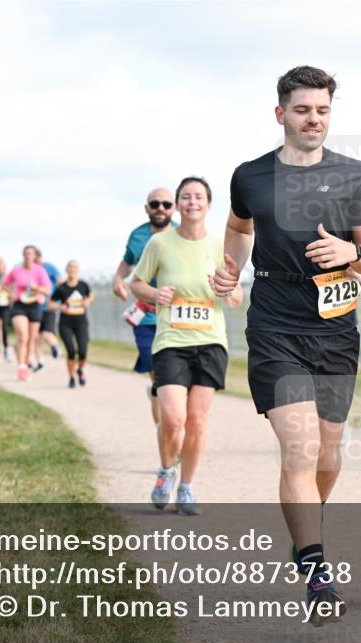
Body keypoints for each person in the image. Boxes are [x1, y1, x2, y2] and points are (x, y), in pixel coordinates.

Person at [211, 66, 361, 624]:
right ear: (280, 113)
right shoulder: (250, 175)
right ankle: (316, 575)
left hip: (335, 326)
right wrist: (232, 268)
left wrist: (349, 257)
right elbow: (239, 227)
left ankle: (305, 530)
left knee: (329, 455)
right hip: (276, 321)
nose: (314, 120)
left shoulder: (355, 176)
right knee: (302, 448)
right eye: (304, 110)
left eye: (323, 111)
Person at [132, 176, 243, 516]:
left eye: (199, 197)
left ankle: (187, 486)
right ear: (178, 205)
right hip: (171, 342)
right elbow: (137, 283)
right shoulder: (160, 244)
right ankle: (167, 470)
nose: (192, 202)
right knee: (173, 418)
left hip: (210, 341)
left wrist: (225, 290)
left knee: (196, 421)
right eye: (185, 197)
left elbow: (237, 297)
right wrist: (155, 294)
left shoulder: (221, 246)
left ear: (209, 205)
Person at [112, 188, 179, 432]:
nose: (160, 208)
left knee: (177, 384)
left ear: (174, 208)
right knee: (160, 381)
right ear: (147, 208)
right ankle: (166, 435)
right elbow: (127, 263)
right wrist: (117, 279)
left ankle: (173, 429)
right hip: (147, 316)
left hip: (176, 317)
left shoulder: (184, 234)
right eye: (155, 204)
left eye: (166, 204)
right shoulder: (138, 236)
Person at [3, 245, 52, 381]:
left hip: (34, 305)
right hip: (20, 305)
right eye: (26, 253)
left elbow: (48, 290)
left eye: (31, 254)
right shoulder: (16, 271)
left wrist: (38, 288)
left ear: (35, 256)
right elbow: (4, 283)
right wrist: (10, 293)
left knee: (32, 339)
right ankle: (21, 367)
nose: (29, 256)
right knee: (22, 336)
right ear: (23, 255)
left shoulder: (40, 271)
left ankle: (25, 361)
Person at [50, 260, 95, 389]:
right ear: (66, 269)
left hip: (81, 322)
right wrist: (60, 307)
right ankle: (71, 377)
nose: (72, 269)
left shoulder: (83, 285)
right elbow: (50, 304)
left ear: (78, 269)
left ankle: (80, 370)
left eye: (74, 267)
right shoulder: (61, 288)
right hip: (65, 323)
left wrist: (88, 302)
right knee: (71, 351)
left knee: (82, 352)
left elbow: (91, 296)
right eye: (69, 267)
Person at [34, 248, 62, 370]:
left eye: (36, 259)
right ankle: (40, 362)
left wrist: (58, 296)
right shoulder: (31, 271)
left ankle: (55, 346)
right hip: (34, 306)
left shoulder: (49, 267)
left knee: (47, 333)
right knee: (36, 337)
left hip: (49, 306)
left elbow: (60, 281)